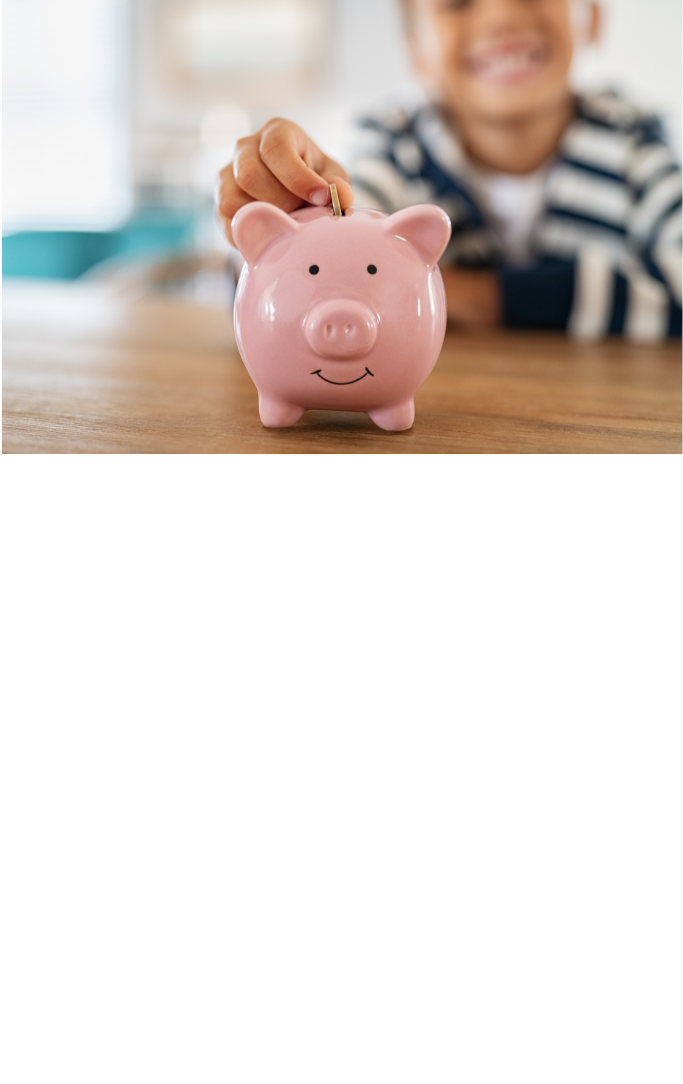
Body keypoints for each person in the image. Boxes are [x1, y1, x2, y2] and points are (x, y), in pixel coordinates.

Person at [216, 0, 681, 340]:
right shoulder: (393, 142)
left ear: (592, 17)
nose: (500, 16)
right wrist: (295, 222)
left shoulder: (633, 140)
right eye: (458, 4)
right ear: (417, 51)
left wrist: (481, 298)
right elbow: (328, 284)